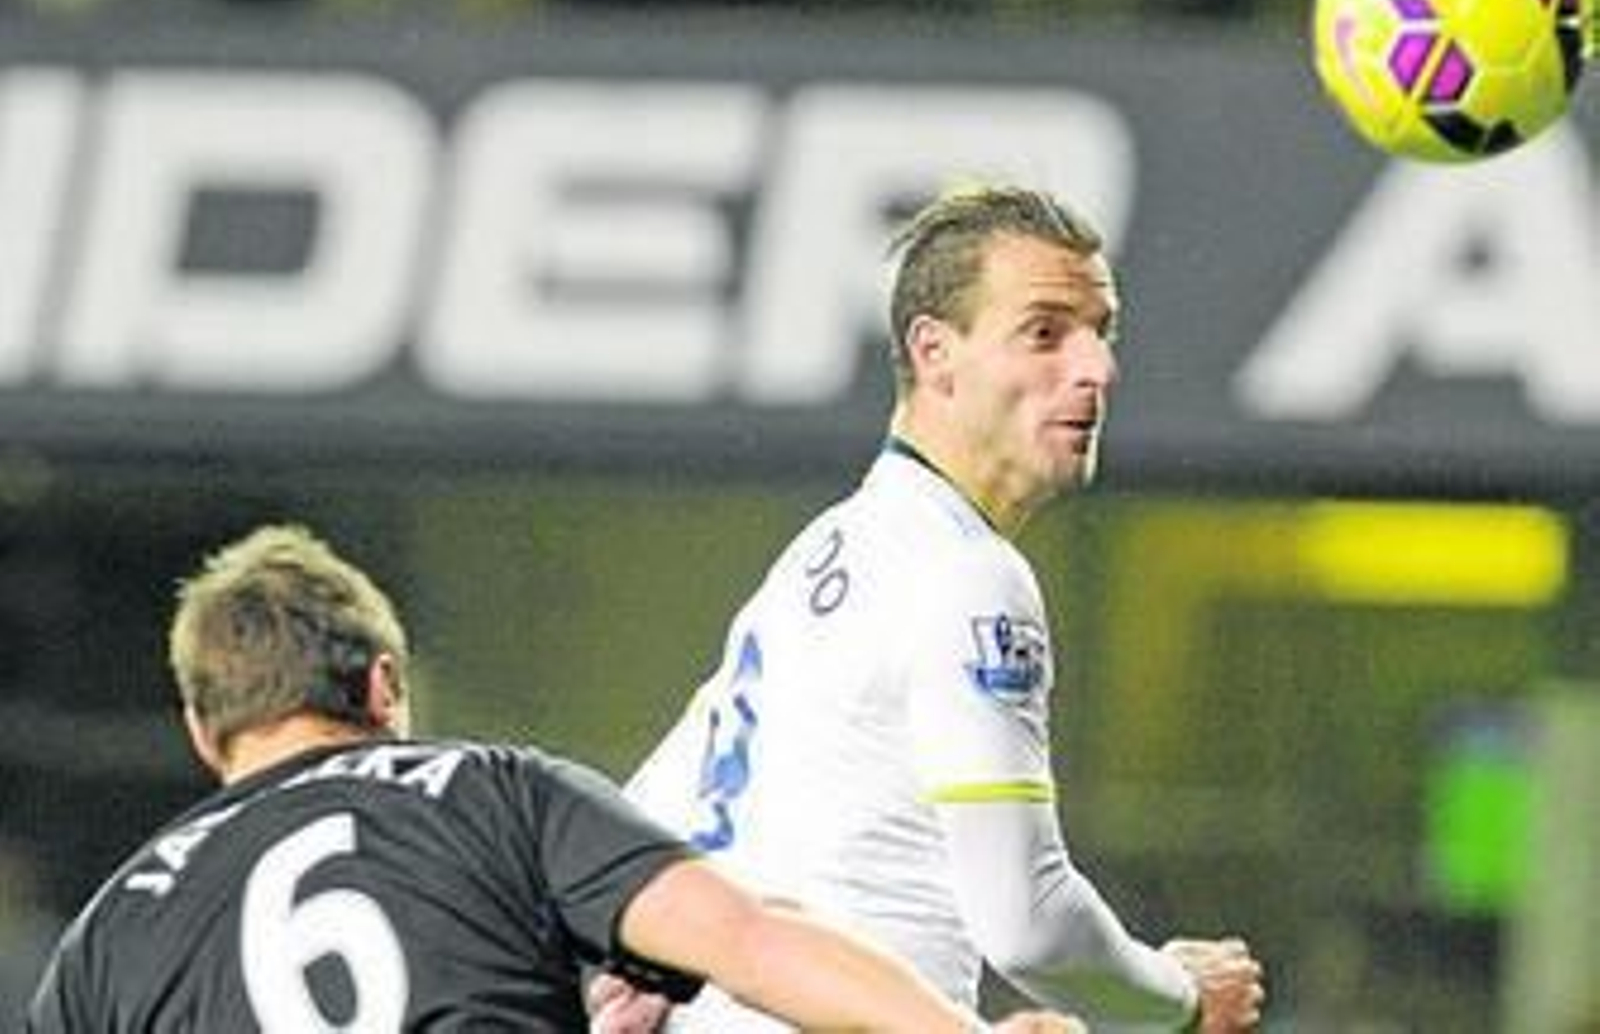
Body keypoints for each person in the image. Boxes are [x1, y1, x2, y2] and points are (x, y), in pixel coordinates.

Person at [615, 184, 1268, 1031]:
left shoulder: (828, 553)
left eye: (1100, 333)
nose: (1095, 369)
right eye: (1045, 333)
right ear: (935, 353)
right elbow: (1026, 922)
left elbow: (631, 839)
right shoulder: (968, 576)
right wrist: (1176, 1001)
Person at [24, 522, 1083, 1033]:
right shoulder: (491, 790)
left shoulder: (112, 930)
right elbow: (753, 939)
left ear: (206, 732)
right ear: (385, 685)